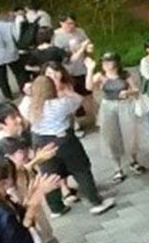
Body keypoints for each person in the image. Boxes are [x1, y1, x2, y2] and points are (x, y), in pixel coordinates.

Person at [25, 68, 114, 216]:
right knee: (80, 168)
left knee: (49, 174)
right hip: (63, 140)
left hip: (40, 141)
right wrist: (63, 89)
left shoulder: (29, 105)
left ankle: (56, 208)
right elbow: (78, 100)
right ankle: (95, 201)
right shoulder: (60, 104)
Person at [0, 135, 69, 243]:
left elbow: (26, 167)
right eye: (17, 152)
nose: (22, 154)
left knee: (45, 229)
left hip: (34, 208)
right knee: (36, 237)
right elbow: (20, 209)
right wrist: (36, 194)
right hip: (26, 216)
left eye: (21, 150)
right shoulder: (8, 182)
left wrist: (38, 159)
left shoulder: (20, 169)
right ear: (7, 157)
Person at [86, 52, 145, 182]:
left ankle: (133, 160)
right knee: (111, 136)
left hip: (124, 105)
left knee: (130, 134)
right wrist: (90, 69)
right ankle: (117, 168)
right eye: (104, 62)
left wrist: (128, 92)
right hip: (108, 106)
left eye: (109, 61)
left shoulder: (124, 75)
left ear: (116, 63)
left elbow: (136, 89)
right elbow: (89, 87)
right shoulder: (101, 76)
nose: (106, 64)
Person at [52, 16, 95, 130]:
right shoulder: (56, 36)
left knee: (88, 94)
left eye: (73, 23)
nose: (71, 26)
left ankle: (93, 117)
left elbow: (87, 44)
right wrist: (82, 47)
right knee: (70, 96)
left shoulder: (80, 32)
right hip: (67, 70)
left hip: (82, 68)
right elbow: (65, 56)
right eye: (68, 23)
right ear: (61, 23)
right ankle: (75, 122)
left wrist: (89, 48)